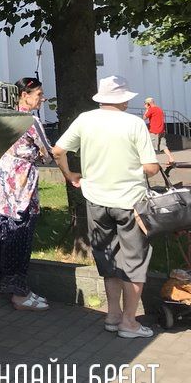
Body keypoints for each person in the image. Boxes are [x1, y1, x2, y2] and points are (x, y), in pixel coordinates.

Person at [52, 76, 160, 338]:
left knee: (107, 257)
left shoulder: (85, 120)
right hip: (130, 201)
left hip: (96, 199)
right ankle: (129, 323)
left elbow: (57, 151)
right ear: (123, 99)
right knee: (134, 260)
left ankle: (112, 316)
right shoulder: (134, 123)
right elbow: (151, 168)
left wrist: (70, 175)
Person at [0, 77, 57, 311]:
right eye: (38, 94)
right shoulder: (30, 119)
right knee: (20, 234)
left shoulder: (7, 116)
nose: (41, 99)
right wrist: (40, 156)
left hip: (5, 181)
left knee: (2, 230)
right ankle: (19, 294)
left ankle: (7, 285)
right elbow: (49, 152)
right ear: (24, 95)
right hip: (22, 185)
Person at [143, 97, 175, 166]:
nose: (144, 105)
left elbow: (144, 118)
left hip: (154, 131)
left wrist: (147, 109)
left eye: (145, 104)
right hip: (161, 131)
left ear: (148, 104)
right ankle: (171, 158)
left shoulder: (151, 109)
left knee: (150, 146)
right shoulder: (159, 109)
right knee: (163, 145)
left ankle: (151, 161)